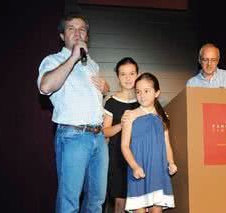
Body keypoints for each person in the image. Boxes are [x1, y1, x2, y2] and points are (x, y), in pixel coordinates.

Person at [37, 13, 110, 213]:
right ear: (62, 35)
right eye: (71, 28)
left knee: (96, 200)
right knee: (69, 201)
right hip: (73, 136)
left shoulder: (92, 65)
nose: (78, 33)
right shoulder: (53, 61)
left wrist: (105, 89)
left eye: (82, 30)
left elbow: (91, 100)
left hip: (99, 137)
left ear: (87, 36)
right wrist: (73, 58)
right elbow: (45, 86)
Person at [121, 72, 177, 213]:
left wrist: (171, 162)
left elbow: (166, 144)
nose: (142, 95)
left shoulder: (163, 117)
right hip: (139, 171)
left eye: (146, 91)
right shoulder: (130, 115)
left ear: (157, 92)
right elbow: (124, 146)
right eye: (138, 91)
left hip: (158, 171)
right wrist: (134, 166)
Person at [103, 57, 140, 213]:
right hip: (117, 158)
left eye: (132, 73)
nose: (128, 78)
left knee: (139, 202)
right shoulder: (111, 101)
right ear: (117, 77)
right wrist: (121, 125)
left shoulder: (143, 100)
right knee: (120, 203)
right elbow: (105, 131)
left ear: (138, 74)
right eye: (123, 74)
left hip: (139, 156)